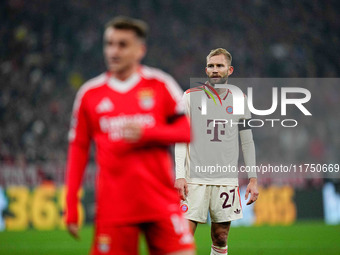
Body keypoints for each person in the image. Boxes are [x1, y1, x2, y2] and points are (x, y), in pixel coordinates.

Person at [65, 16, 195, 255]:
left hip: (161, 203)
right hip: (114, 209)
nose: (113, 51)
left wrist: (149, 133)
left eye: (122, 44)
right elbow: (78, 149)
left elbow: (188, 131)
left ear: (140, 50)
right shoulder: (89, 94)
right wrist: (71, 204)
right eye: (109, 44)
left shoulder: (160, 84)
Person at [175, 48, 259, 255]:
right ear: (206, 69)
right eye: (211, 66)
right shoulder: (190, 96)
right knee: (183, 237)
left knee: (220, 236)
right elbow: (180, 138)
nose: (215, 70)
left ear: (229, 70)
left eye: (219, 66)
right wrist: (180, 176)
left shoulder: (240, 98)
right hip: (194, 179)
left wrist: (253, 179)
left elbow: (247, 141)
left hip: (225, 180)